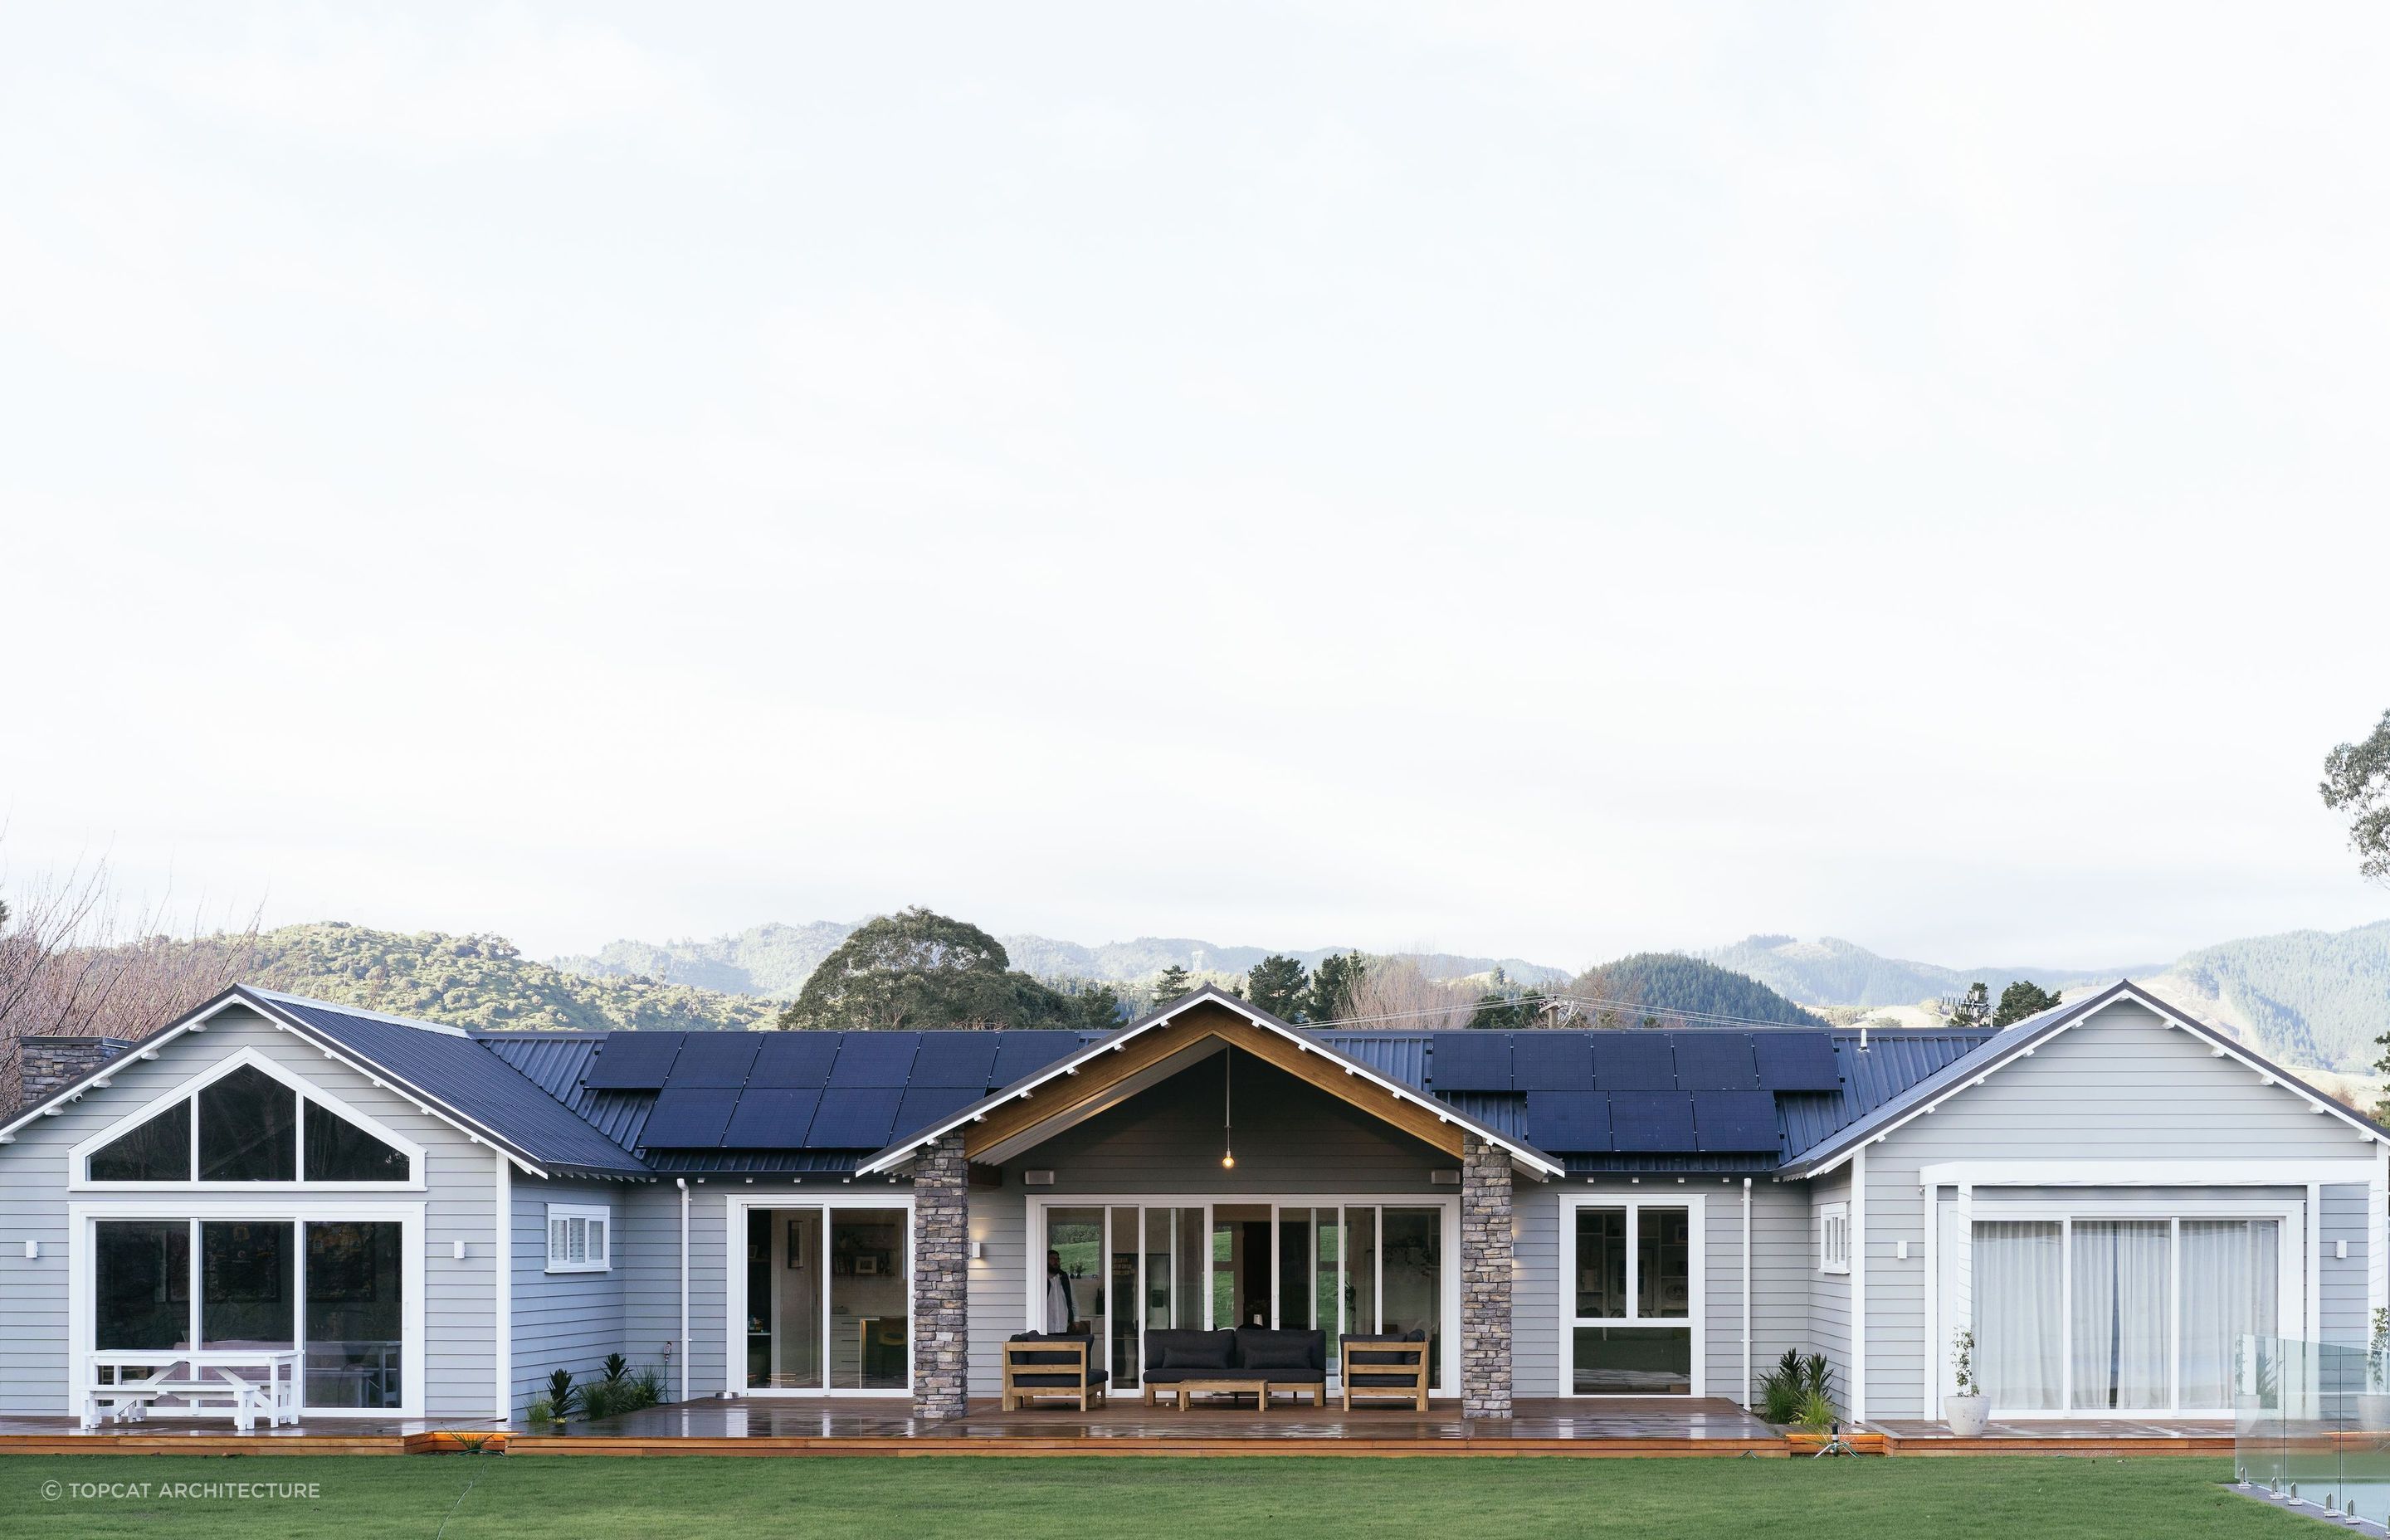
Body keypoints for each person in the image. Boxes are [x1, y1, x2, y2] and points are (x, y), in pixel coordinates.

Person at [1045, 1249, 1076, 1333]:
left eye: (1057, 1259)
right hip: (1046, 1327)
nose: (1056, 1261)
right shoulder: (1041, 1279)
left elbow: (1073, 1300)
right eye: (1052, 1259)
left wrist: (1076, 1319)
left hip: (1064, 1326)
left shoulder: (1064, 1278)